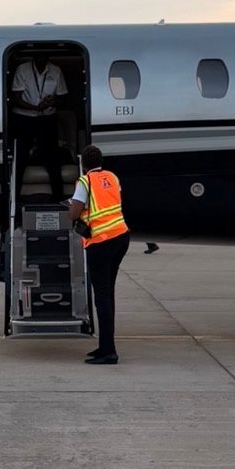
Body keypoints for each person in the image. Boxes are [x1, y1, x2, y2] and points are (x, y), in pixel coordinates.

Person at [67, 144, 130, 365]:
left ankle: (109, 351)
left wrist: (71, 208)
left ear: (83, 164)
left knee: (102, 296)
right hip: (121, 236)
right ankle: (105, 345)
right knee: (108, 294)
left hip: (101, 241)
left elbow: (74, 212)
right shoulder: (112, 177)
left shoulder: (84, 182)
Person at [10, 53, 68, 200]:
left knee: (53, 159)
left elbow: (62, 96)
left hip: (47, 118)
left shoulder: (56, 71)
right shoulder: (22, 69)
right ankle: (14, 199)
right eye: (38, 57)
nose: (41, 60)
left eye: (44, 57)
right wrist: (36, 107)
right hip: (24, 118)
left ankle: (59, 200)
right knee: (20, 158)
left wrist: (52, 101)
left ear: (48, 58)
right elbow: (16, 97)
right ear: (33, 58)